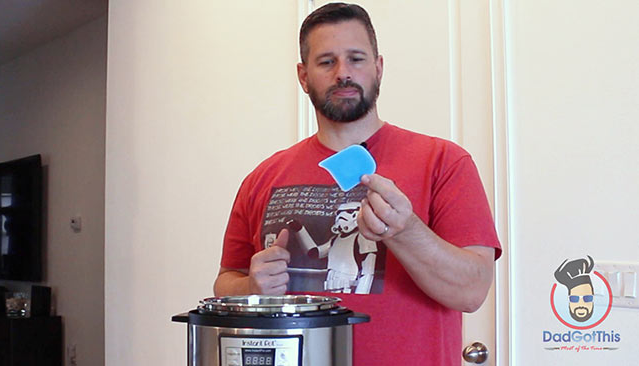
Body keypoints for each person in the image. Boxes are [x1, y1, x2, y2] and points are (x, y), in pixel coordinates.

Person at [214, 3, 501, 365]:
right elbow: (227, 281)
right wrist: (250, 288)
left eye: (356, 59)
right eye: (326, 62)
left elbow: (472, 291)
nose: (342, 73)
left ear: (378, 68)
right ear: (303, 76)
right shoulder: (262, 178)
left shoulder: (444, 163)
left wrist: (405, 230)